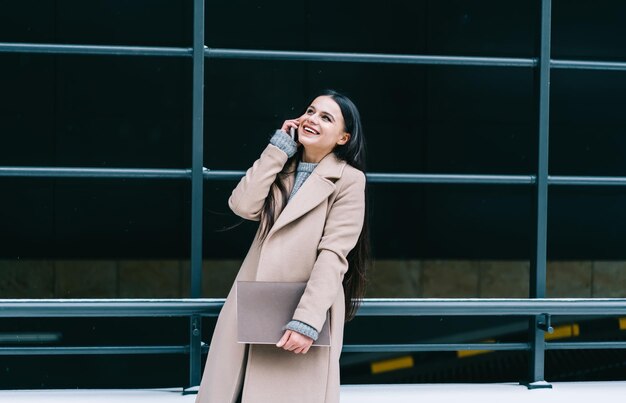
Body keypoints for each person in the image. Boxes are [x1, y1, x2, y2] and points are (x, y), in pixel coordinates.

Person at [195, 89, 369, 403]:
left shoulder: (349, 180)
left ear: (344, 138)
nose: (312, 119)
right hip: (253, 303)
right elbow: (242, 205)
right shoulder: (282, 165)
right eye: (311, 111)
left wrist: (307, 321)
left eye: (326, 117)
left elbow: (334, 255)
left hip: (300, 310)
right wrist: (277, 150)